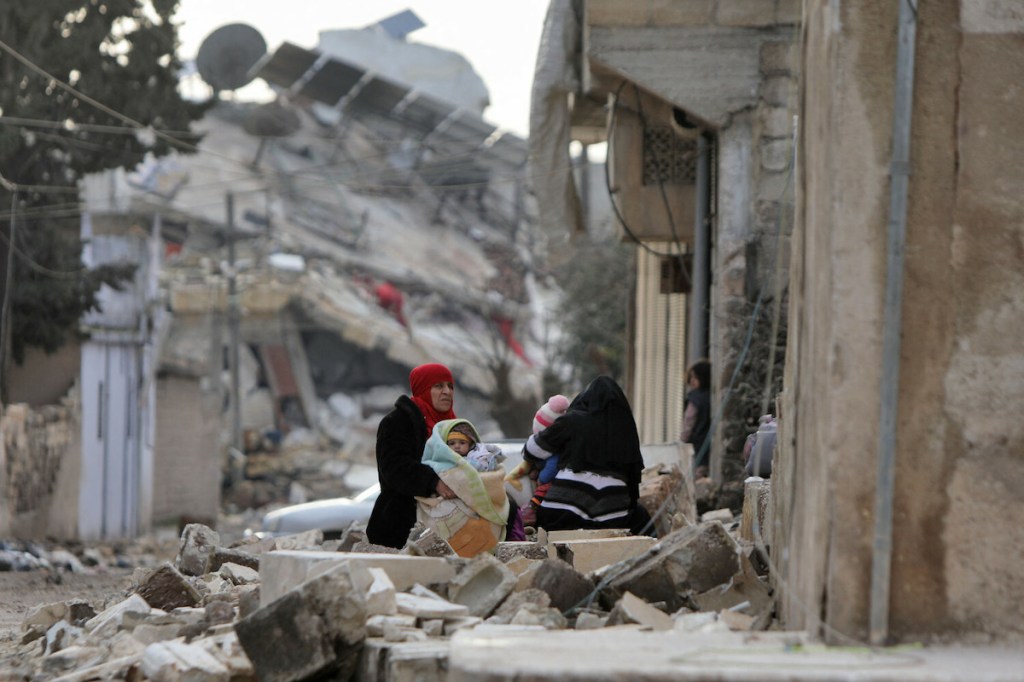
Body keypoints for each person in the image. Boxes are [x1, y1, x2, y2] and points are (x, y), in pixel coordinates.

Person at [524, 376, 650, 534]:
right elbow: (633, 483)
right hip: (611, 518)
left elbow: (533, 449)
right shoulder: (626, 430)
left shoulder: (574, 419)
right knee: (643, 518)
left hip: (560, 513)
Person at [366, 363, 458, 548]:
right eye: (439, 386)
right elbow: (394, 467)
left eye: (450, 386)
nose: (447, 391)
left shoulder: (454, 426)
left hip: (448, 525)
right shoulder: (396, 422)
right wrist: (432, 481)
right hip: (401, 526)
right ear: (423, 389)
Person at [681, 359, 712, 478]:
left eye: (695, 377)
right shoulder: (710, 397)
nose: (692, 381)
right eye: (691, 377)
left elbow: (689, 420)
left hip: (698, 443)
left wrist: (683, 438)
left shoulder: (695, 398)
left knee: (697, 474)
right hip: (706, 443)